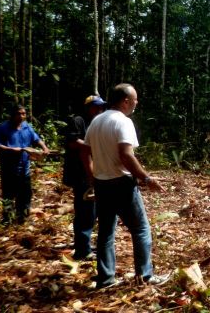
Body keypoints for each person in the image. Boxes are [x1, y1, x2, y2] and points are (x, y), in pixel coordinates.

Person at [82, 83, 168, 289]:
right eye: (135, 99)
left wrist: (92, 176)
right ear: (126, 101)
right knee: (140, 229)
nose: (136, 103)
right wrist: (146, 178)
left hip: (102, 184)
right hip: (122, 183)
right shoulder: (123, 122)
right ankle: (145, 276)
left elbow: (84, 152)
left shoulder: (96, 121)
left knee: (105, 232)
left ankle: (105, 278)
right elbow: (126, 154)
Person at [63, 95, 106, 260]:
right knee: (85, 211)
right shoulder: (78, 121)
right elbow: (72, 142)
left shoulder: (97, 123)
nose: (99, 110)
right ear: (88, 107)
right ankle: (82, 250)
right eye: (96, 107)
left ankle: (84, 243)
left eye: (101, 107)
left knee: (92, 211)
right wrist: (91, 145)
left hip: (93, 172)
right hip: (80, 173)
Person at [0, 105, 50, 225]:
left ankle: (22, 218)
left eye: (23, 114)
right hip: (9, 168)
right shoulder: (3, 128)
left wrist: (44, 147)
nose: (21, 116)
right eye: (19, 114)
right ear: (13, 115)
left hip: (25, 167)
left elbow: (36, 138)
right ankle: (7, 220)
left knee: (25, 194)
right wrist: (11, 149)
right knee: (9, 194)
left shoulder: (26, 127)